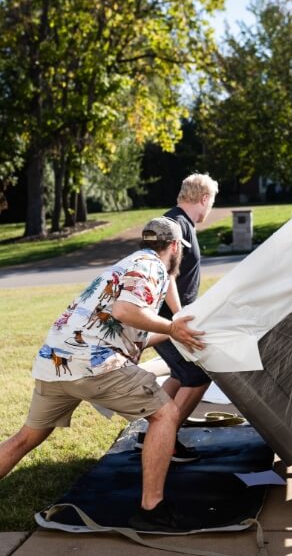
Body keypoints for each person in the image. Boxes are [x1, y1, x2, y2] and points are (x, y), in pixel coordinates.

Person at [0, 217, 206, 531]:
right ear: (175, 247)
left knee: (25, 438)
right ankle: (153, 509)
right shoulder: (151, 266)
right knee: (166, 414)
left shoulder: (128, 264)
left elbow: (126, 331)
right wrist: (173, 325)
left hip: (56, 361)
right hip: (92, 364)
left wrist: (173, 332)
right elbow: (125, 312)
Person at [152, 173, 218, 462]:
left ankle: (152, 433)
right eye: (211, 203)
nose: (210, 209)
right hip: (165, 322)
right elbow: (164, 272)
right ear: (204, 198)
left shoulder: (177, 222)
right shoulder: (176, 225)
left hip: (167, 321)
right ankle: (163, 440)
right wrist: (178, 316)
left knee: (180, 375)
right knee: (196, 376)